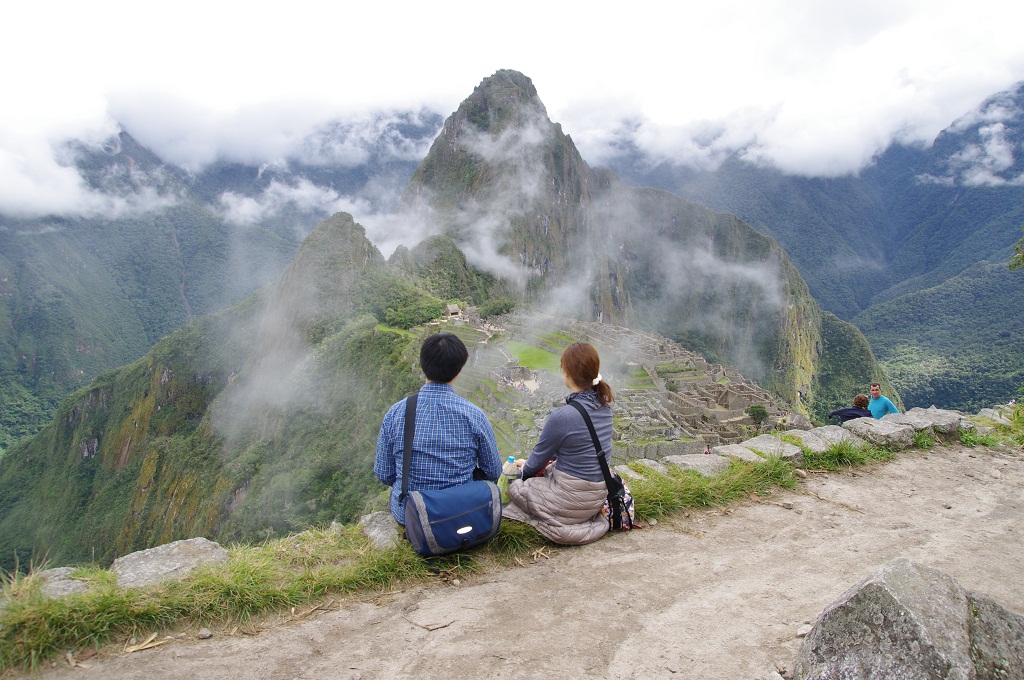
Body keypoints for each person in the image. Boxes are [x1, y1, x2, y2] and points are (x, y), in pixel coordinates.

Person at [374, 332, 502, 525]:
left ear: (423, 365)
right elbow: (493, 470)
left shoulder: (397, 413)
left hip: (412, 516)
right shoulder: (474, 415)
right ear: (459, 369)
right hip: (461, 512)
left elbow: (384, 474)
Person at [502, 342, 614, 545]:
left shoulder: (562, 416)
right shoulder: (605, 407)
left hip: (571, 497)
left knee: (516, 488)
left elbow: (536, 463)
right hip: (598, 496)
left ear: (567, 373)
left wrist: (523, 470)